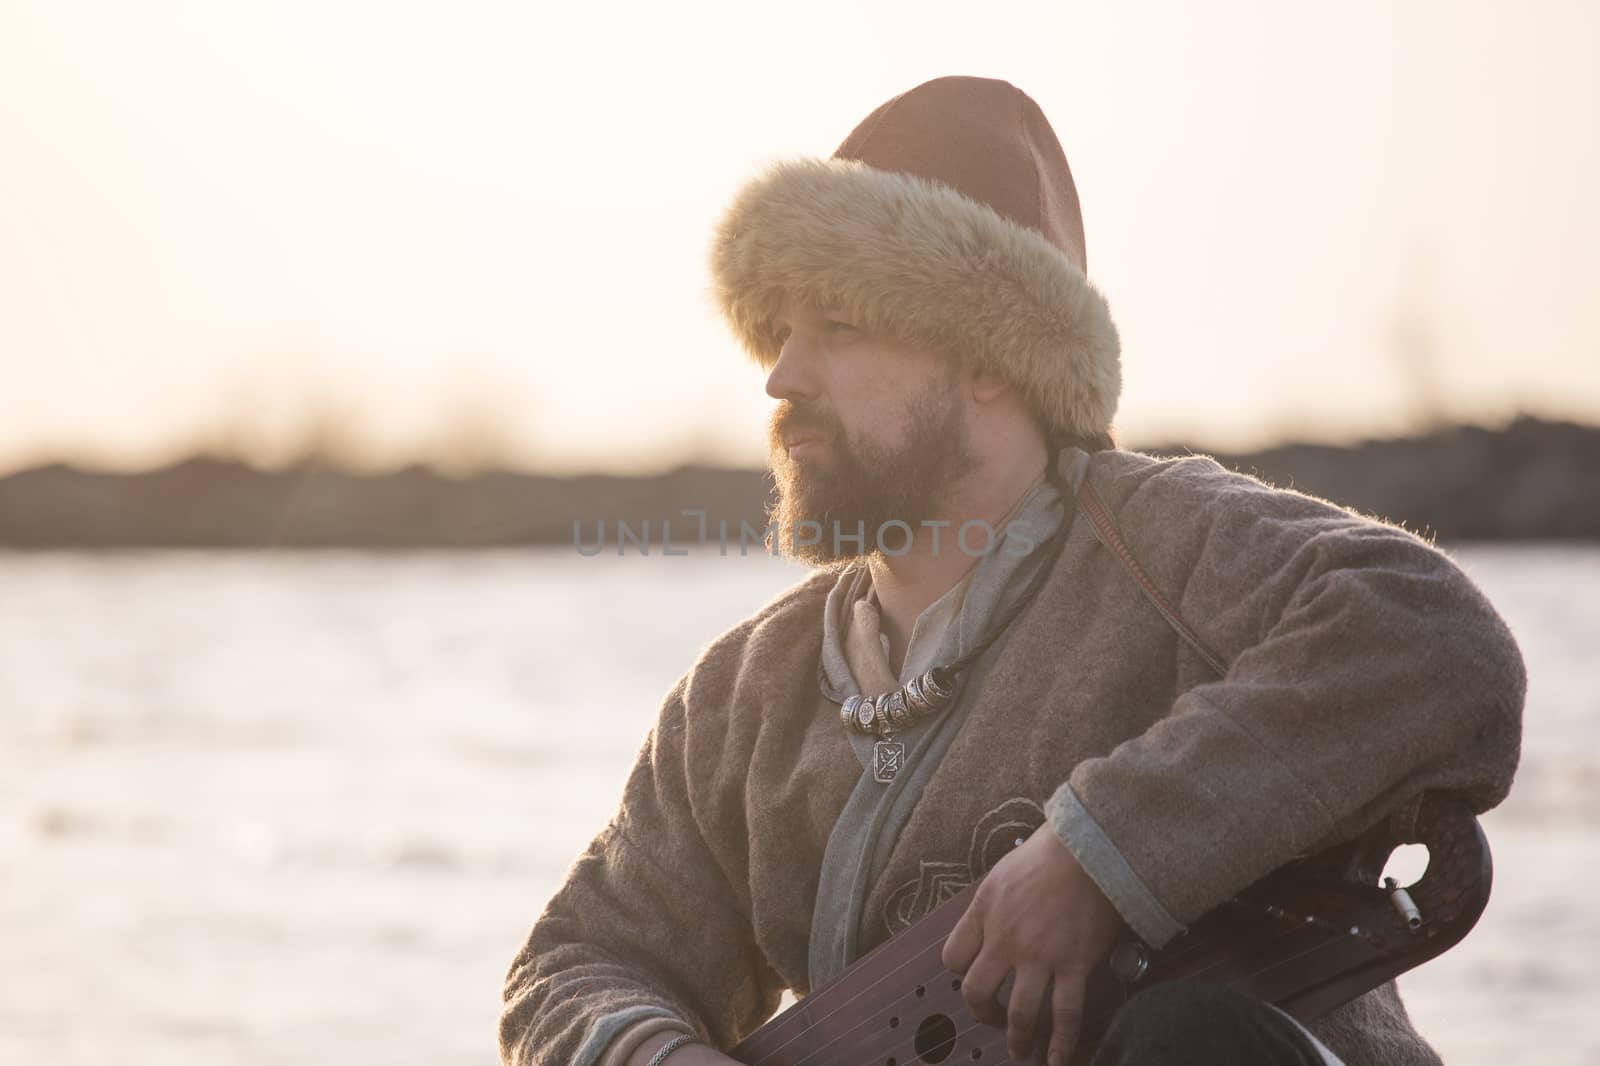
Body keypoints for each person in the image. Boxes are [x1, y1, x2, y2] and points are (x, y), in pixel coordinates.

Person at [498, 76, 1525, 1066]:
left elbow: (1432, 639)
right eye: (779, 332)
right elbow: (579, 958)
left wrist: (1100, 856)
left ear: (991, 354)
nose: (781, 375)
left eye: (838, 328)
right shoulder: (743, 698)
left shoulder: (1166, 542)